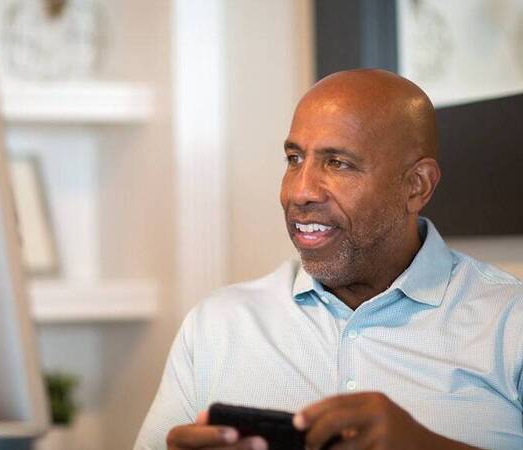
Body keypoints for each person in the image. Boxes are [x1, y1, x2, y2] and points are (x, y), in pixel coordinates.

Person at [134, 70, 523, 450]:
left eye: (337, 163)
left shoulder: (511, 324)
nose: (299, 192)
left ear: (416, 185)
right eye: (294, 158)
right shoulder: (215, 326)